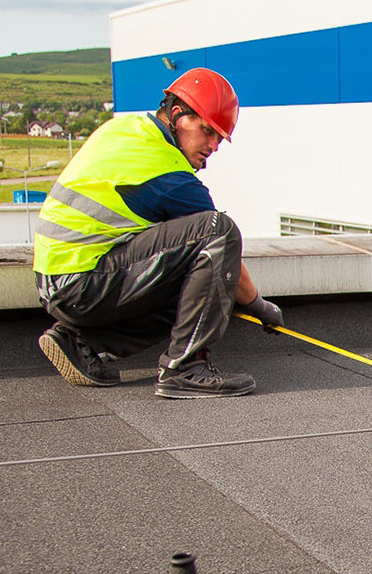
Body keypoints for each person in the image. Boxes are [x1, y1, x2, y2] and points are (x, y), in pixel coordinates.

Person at [32, 67, 284, 399]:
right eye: (207, 131)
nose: (214, 146)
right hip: (84, 282)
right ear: (178, 114)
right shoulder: (168, 171)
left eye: (220, 138)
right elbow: (222, 255)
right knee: (218, 230)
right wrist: (259, 306)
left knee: (191, 285)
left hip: (60, 279)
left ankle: (82, 344)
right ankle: (185, 368)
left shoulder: (125, 128)